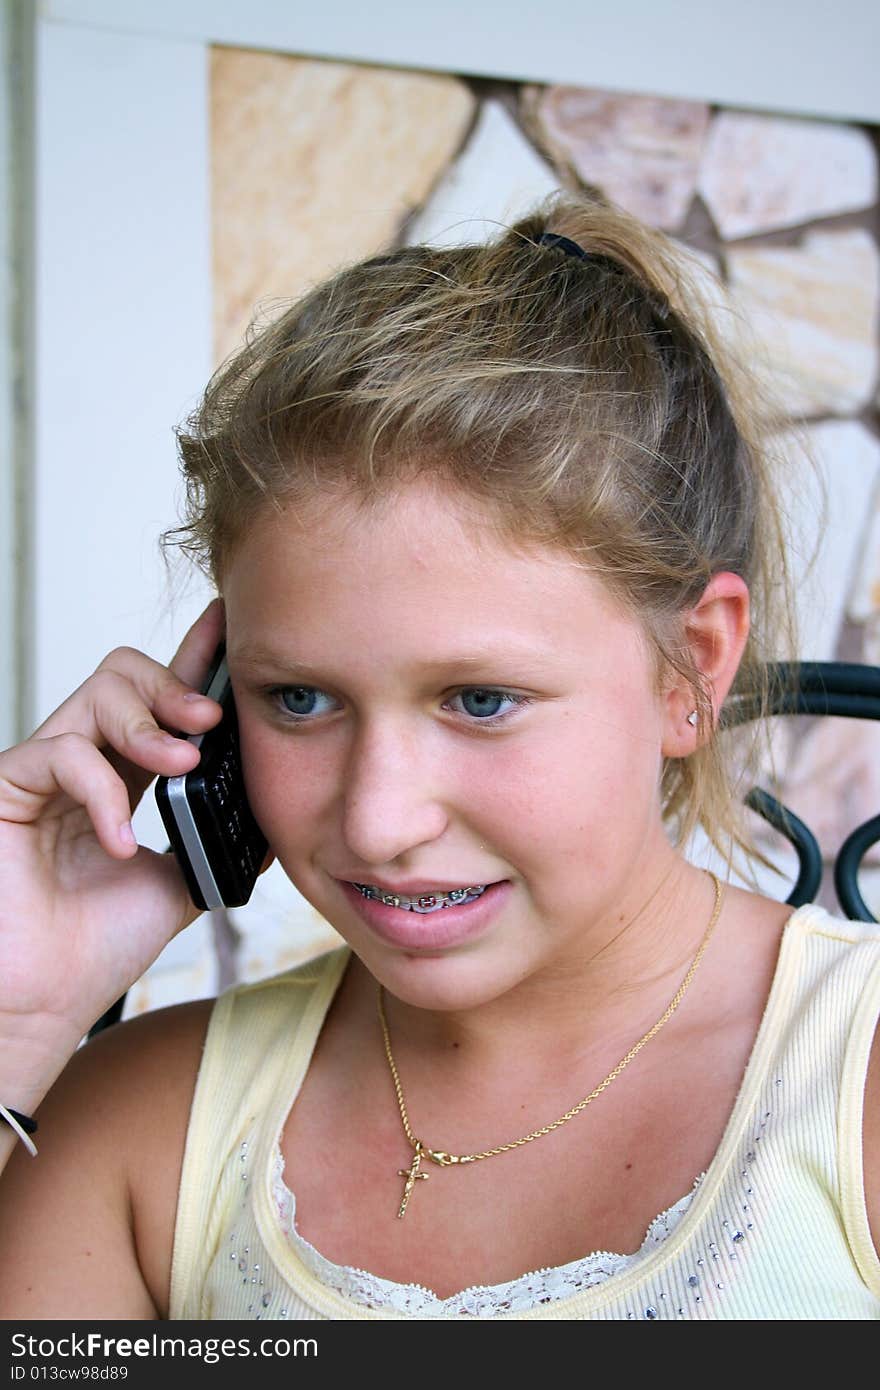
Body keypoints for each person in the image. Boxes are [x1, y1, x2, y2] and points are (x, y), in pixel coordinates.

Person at [1, 195, 878, 1322]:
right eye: (299, 697)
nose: (378, 820)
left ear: (690, 668)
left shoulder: (849, 1090)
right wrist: (18, 1023)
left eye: (479, 699)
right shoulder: (136, 1130)